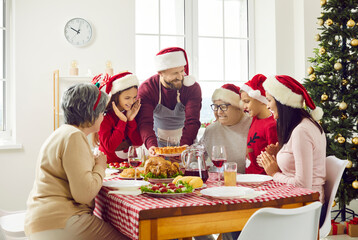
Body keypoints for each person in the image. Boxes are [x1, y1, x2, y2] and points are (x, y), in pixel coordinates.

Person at [25, 83, 128, 240]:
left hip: (43, 219)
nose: (103, 117)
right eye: (102, 112)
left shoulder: (62, 132)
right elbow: (84, 194)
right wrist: (100, 166)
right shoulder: (74, 137)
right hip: (62, 220)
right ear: (91, 113)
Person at [259, 75, 326, 203]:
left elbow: (302, 184)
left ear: (281, 102)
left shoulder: (301, 131)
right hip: (298, 200)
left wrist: (273, 173)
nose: (267, 106)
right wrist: (278, 155)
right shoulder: (303, 125)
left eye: (269, 100)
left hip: (307, 205)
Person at [136, 47, 202, 154]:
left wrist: (184, 147)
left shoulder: (192, 87)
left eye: (182, 71)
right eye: (175, 73)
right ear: (161, 72)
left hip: (187, 143)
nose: (180, 77)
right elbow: (145, 123)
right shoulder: (147, 89)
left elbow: (192, 121)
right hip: (158, 143)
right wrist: (151, 146)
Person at [200, 84, 252, 173]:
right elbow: (197, 158)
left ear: (238, 107)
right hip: (220, 181)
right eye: (216, 107)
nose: (219, 111)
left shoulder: (252, 124)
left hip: (250, 181)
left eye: (223, 107)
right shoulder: (211, 130)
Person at [95, 72, 143, 163]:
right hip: (107, 167)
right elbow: (110, 147)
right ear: (116, 97)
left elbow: (138, 143)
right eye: (127, 98)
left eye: (134, 97)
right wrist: (122, 121)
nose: (132, 102)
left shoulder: (131, 112)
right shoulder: (105, 117)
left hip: (127, 166)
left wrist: (130, 120)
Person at [240, 74, 278, 174]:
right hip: (250, 175)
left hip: (264, 178)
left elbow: (275, 157)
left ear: (261, 100)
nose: (244, 106)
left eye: (247, 101)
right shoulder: (254, 119)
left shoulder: (271, 125)